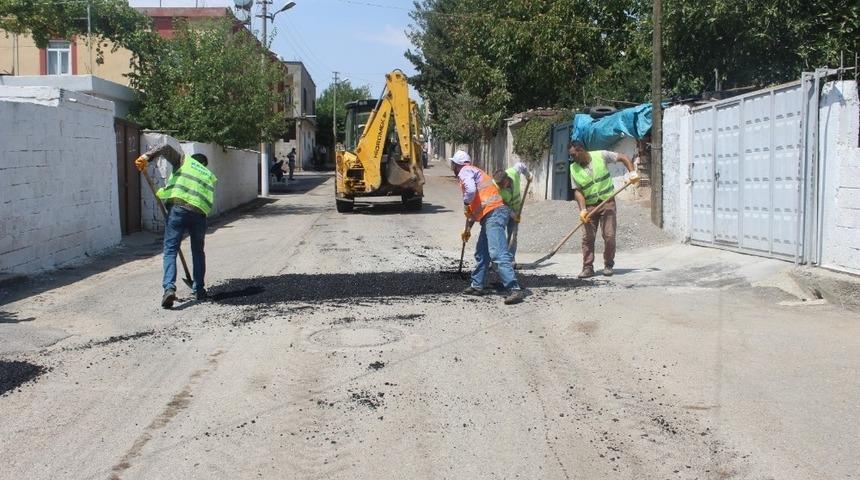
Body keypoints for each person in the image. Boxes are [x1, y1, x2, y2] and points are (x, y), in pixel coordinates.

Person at [135, 144, 217, 308]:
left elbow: (165, 147)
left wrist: (146, 157)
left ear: (193, 161)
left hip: (179, 210)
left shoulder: (184, 161)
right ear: (204, 165)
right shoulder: (208, 175)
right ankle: (199, 289)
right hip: (199, 215)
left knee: (170, 249)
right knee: (198, 252)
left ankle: (169, 288)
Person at [450, 150, 524, 305]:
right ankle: (477, 285)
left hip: (495, 214)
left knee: (497, 253)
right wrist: (468, 228)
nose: (452, 167)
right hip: (490, 215)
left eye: (453, 164)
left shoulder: (465, 171)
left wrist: (465, 202)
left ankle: (514, 289)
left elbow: (470, 192)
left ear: (456, 164)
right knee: (482, 253)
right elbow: (479, 205)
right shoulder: (475, 171)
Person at [568, 140, 640, 278]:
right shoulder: (573, 168)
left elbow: (623, 157)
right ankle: (588, 267)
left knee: (609, 235)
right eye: (571, 156)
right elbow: (577, 191)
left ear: (581, 150)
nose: (573, 158)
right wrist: (582, 209)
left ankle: (608, 265)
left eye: (574, 154)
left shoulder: (601, 155)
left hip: (607, 202)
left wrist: (632, 173)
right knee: (587, 237)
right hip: (589, 206)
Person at [492, 162, 532, 262]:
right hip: (502, 210)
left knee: (513, 234)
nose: (500, 186)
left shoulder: (513, 173)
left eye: (501, 184)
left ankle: (510, 259)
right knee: (499, 233)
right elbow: (502, 203)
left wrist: (528, 175)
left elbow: (520, 165)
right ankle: (497, 258)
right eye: (498, 185)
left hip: (517, 209)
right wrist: (512, 214)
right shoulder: (495, 187)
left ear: (506, 179)